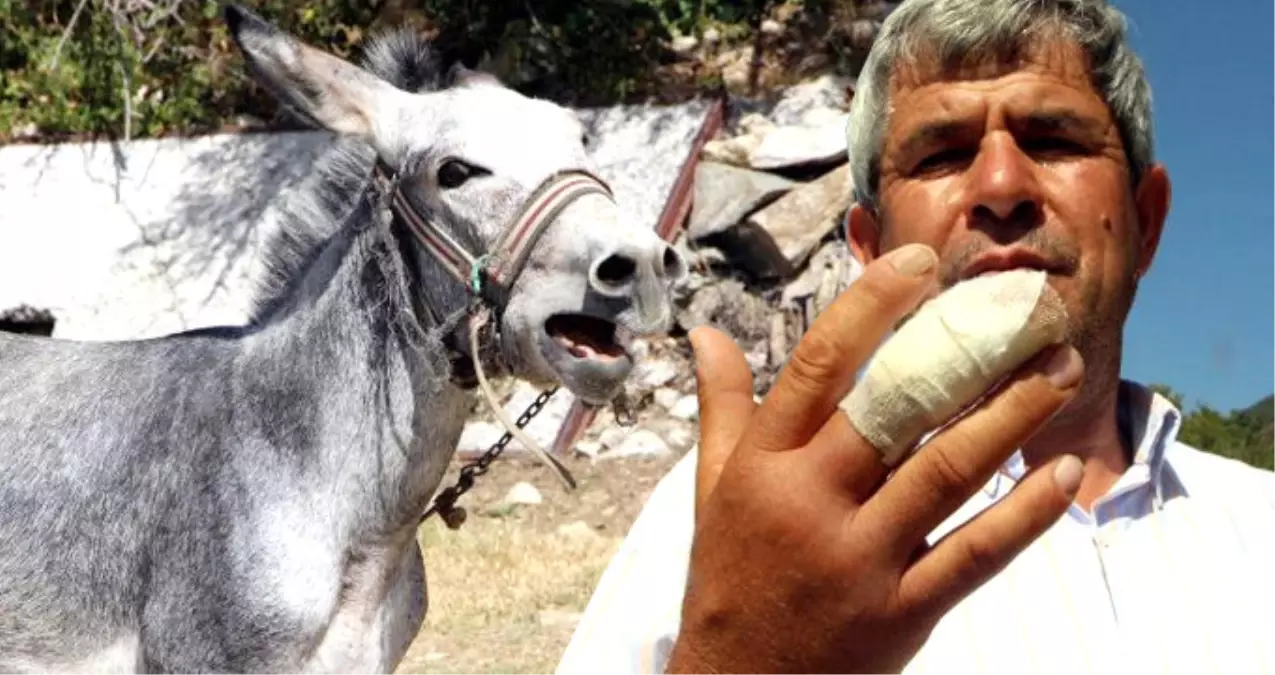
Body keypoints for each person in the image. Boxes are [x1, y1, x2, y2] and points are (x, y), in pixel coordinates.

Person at [555, 1, 1275, 673]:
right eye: (939, 155)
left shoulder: (1258, 525)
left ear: (1145, 221)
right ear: (869, 249)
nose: (1000, 184)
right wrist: (734, 654)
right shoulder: (735, 518)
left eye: (1053, 140)